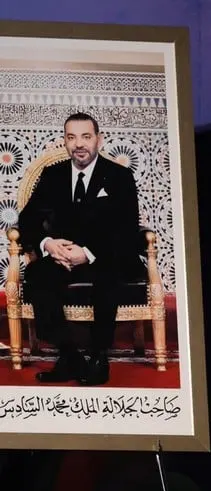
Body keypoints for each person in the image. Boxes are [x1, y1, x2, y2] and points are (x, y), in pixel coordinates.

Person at [17, 112, 143, 386]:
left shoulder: (119, 176)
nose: (79, 144)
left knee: (108, 275)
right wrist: (48, 244)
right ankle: (69, 356)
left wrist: (87, 253)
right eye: (71, 137)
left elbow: (126, 229)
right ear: (65, 141)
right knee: (38, 274)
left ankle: (99, 358)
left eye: (86, 136)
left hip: (106, 255)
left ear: (99, 139)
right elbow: (26, 220)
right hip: (63, 256)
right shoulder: (53, 175)